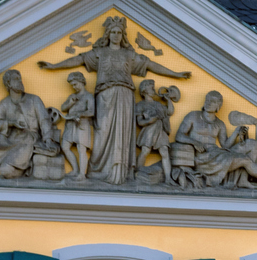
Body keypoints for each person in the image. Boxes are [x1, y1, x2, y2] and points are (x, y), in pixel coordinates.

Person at [39, 16, 191, 185]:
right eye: (113, 32)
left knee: (122, 132)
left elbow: (150, 65)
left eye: (119, 32)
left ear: (123, 35)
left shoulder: (129, 55)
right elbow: (78, 59)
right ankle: (99, 171)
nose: (117, 35)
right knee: (102, 131)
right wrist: (54, 66)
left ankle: (121, 171)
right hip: (104, 96)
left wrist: (175, 74)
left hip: (125, 96)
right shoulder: (100, 53)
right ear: (108, 34)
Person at [54, 72, 97, 179]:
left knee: (81, 149)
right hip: (71, 124)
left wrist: (80, 114)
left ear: (82, 82)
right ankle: (75, 169)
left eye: (75, 84)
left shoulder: (88, 96)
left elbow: (91, 111)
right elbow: (63, 108)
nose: (74, 87)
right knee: (65, 146)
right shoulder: (72, 96)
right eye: (72, 85)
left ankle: (82, 174)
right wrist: (70, 103)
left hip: (82, 124)